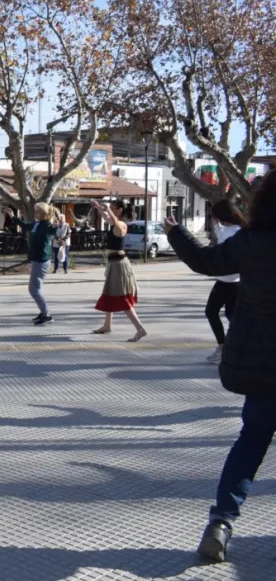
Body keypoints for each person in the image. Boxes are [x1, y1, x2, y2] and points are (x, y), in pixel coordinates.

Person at [164, 169, 276, 564]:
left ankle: (220, 524)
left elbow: (205, 261)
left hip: (261, 367)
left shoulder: (251, 242)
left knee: (250, 443)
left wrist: (177, 233)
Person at [90, 200, 147, 341]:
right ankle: (107, 325)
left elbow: (113, 220)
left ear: (119, 210)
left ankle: (140, 329)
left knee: (122, 298)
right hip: (113, 262)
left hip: (119, 264)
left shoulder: (121, 225)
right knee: (109, 293)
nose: (111, 211)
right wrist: (98, 207)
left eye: (114, 208)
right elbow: (107, 218)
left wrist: (107, 209)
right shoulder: (116, 223)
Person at [203, 200, 246, 363]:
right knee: (229, 314)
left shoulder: (235, 232)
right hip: (228, 280)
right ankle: (230, 346)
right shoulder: (232, 229)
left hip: (230, 281)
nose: (215, 220)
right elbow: (220, 236)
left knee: (213, 312)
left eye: (215, 217)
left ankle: (224, 347)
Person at [6, 203, 59, 325]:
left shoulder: (47, 225)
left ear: (43, 214)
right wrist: (13, 217)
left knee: (33, 290)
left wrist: (60, 225)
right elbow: (25, 226)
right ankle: (43, 312)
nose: (34, 214)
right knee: (37, 289)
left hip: (41, 261)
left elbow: (55, 231)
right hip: (37, 260)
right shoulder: (36, 224)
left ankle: (47, 315)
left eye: (36, 212)